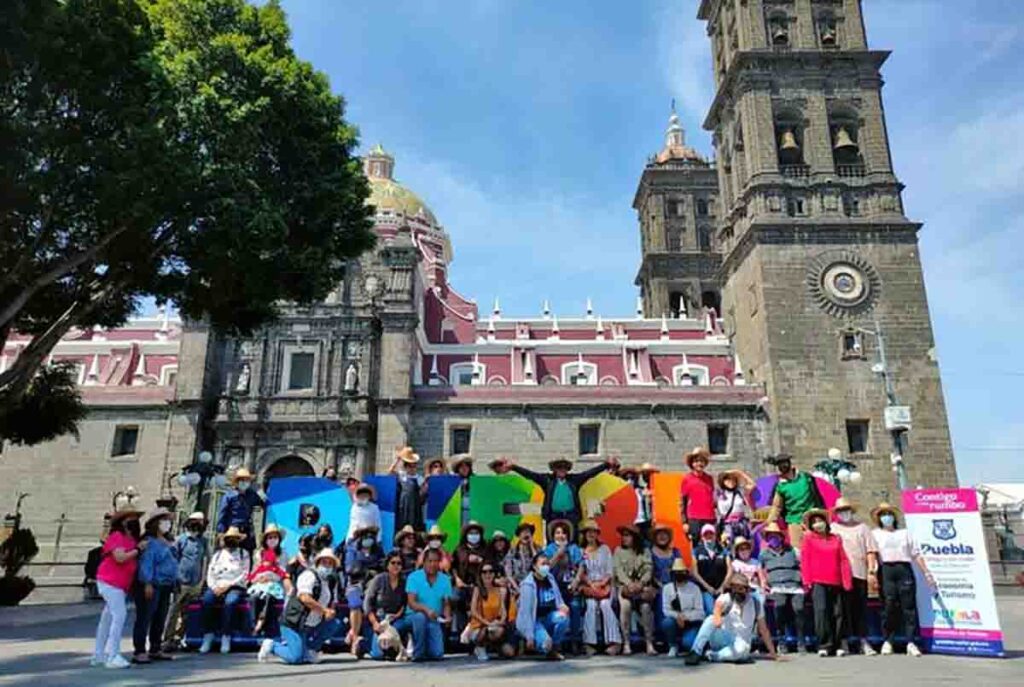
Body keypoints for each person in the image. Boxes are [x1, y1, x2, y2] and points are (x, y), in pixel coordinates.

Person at [871, 502, 935, 658]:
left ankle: (911, 641)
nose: (887, 517)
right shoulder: (875, 534)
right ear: (879, 518)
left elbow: (916, 554)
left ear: (894, 517)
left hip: (904, 568)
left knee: (908, 606)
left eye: (889, 514)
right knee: (889, 605)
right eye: (883, 515)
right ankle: (888, 640)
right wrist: (872, 573)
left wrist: (926, 572)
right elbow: (872, 555)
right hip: (886, 569)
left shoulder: (905, 533)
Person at [257, 548, 342, 665]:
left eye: (330, 563)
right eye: (324, 562)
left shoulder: (332, 580)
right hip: (294, 623)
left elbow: (333, 600)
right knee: (295, 657)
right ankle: (272, 645)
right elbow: (304, 598)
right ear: (318, 563)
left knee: (334, 624)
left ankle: (311, 650)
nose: (327, 566)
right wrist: (324, 611)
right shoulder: (309, 575)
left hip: (313, 623)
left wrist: (331, 611)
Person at [493, 456, 618, 528]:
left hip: (571, 517)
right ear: (554, 469)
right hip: (553, 516)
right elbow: (530, 475)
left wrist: (606, 464)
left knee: (571, 542)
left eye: (564, 467)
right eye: (559, 467)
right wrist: (514, 467)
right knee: (553, 543)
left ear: (567, 469)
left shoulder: (574, 480)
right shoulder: (547, 480)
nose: (562, 469)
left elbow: (589, 474)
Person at [684, 573, 780, 664]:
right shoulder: (727, 598)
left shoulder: (756, 603)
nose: (737, 592)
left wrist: (773, 654)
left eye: (740, 589)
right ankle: (695, 652)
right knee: (710, 619)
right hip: (722, 637)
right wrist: (717, 616)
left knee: (742, 650)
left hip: (741, 643)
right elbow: (717, 606)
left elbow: (763, 630)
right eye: (734, 589)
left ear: (747, 590)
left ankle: (710, 656)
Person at [92, 507, 143, 669]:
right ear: (123, 521)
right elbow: (120, 557)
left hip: (119, 583)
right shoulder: (117, 536)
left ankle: (99, 654)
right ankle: (113, 655)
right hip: (110, 581)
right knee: (119, 615)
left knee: (107, 619)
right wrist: (138, 550)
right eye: (131, 518)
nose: (134, 521)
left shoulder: (131, 538)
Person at [800, 508, 852, 657]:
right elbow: (805, 560)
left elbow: (843, 559)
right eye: (814, 522)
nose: (818, 524)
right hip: (818, 581)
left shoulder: (835, 538)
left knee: (838, 613)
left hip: (836, 581)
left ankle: (839, 644)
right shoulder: (809, 539)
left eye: (820, 521)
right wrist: (807, 580)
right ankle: (825, 644)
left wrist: (846, 579)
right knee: (821, 612)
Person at [830, 497, 879, 655]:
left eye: (846, 510)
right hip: (840, 574)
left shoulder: (862, 528)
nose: (844, 513)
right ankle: (843, 641)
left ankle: (863, 640)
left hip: (859, 572)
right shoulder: (833, 528)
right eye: (840, 511)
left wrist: (871, 571)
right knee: (842, 609)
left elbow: (870, 550)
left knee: (860, 609)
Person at [132, 507, 178, 664]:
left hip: (166, 584)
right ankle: (139, 650)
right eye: (164, 520)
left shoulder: (168, 541)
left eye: (168, 520)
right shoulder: (149, 542)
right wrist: (147, 583)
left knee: (160, 617)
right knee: (145, 617)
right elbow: (147, 564)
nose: (167, 524)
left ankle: (155, 648)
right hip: (152, 583)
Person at [199, 526, 252, 655]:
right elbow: (210, 572)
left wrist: (228, 586)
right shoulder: (217, 555)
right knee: (206, 600)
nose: (231, 540)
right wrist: (214, 586)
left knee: (230, 602)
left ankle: (226, 636)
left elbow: (245, 574)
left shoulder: (243, 554)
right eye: (229, 538)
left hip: (235, 586)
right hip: (217, 585)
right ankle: (208, 635)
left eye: (234, 538)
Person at [162, 512, 209, 653]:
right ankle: (167, 639)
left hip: (195, 582)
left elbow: (205, 560)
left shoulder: (203, 541)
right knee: (174, 611)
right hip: (181, 581)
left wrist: (202, 580)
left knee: (188, 613)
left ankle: (179, 637)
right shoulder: (181, 540)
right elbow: (173, 559)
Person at [760, 522, 806, 654]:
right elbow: (759, 568)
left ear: (781, 537)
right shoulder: (764, 554)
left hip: (794, 585)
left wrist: (803, 580)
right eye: (770, 536)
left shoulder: (792, 550)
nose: (773, 538)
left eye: (776, 536)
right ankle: (781, 640)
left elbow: (803, 563)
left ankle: (801, 641)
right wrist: (763, 582)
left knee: (799, 608)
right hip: (777, 586)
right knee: (780, 605)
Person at [578, 520, 622, 655]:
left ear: (597, 534)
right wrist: (591, 584)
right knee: (591, 605)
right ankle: (589, 643)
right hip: (588, 586)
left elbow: (610, 571)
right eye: (588, 532)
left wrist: (602, 583)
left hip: (605, 586)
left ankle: (614, 642)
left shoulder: (605, 549)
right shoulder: (580, 551)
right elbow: (579, 572)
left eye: (593, 532)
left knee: (605, 605)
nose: (591, 534)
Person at [515, 553, 570, 660]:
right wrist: (529, 636)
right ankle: (544, 646)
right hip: (534, 621)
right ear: (535, 566)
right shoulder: (527, 585)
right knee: (545, 644)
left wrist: (563, 606)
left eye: (547, 564)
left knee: (563, 618)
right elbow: (526, 613)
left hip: (548, 617)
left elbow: (558, 599)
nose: (546, 567)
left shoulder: (550, 578)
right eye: (543, 564)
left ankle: (554, 647)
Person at [613, 525, 657, 655]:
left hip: (641, 587)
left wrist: (641, 583)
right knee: (625, 606)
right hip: (624, 587)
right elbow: (618, 571)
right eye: (623, 535)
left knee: (645, 607)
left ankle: (649, 642)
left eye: (627, 535)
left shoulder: (645, 551)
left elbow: (649, 569)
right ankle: (626, 642)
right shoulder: (618, 551)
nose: (624, 538)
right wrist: (629, 583)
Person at [766, 454, 824, 549]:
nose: (783, 466)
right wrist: (770, 522)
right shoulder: (780, 486)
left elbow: (817, 495)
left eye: (784, 463)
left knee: (818, 546)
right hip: (794, 522)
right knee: (798, 550)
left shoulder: (805, 477)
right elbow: (776, 507)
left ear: (789, 463)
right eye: (780, 465)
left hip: (812, 518)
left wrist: (821, 513)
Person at [406, 547, 454, 662]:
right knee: (420, 617)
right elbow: (412, 602)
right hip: (413, 616)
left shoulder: (445, 579)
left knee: (437, 654)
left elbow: (446, 603)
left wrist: (447, 617)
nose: (433, 564)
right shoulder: (414, 577)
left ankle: (425, 645)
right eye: (430, 561)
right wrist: (426, 609)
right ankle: (418, 653)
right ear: (424, 562)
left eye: (436, 561)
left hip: (434, 618)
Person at [542, 519, 583, 654]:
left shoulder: (574, 548)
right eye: (558, 533)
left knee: (575, 607)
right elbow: (546, 567)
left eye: (564, 533)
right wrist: (558, 554)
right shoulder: (549, 549)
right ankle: (556, 642)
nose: (561, 535)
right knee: (556, 612)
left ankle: (575, 641)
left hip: (571, 586)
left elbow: (581, 565)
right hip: (554, 590)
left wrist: (576, 581)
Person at [344, 525, 385, 657]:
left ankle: (366, 637)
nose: (369, 538)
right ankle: (355, 637)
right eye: (366, 535)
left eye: (372, 535)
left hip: (372, 584)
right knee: (355, 603)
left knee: (374, 601)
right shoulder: (352, 549)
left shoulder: (377, 550)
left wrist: (375, 572)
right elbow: (350, 569)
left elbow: (383, 565)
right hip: (355, 583)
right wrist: (367, 571)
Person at [364, 551, 412, 662]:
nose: (396, 566)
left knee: (400, 627)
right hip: (379, 619)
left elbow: (405, 603)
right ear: (387, 565)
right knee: (377, 655)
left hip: (396, 619)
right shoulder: (379, 579)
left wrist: (397, 615)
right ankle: (363, 644)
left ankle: (396, 648)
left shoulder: (404, 582)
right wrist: (375, 623)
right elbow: (367, 603)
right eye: (393, 563)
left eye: (399, 563)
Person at [462, 563, 513, 661]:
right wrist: (487, 623)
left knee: (509, 652)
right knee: (486, 631)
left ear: (494, 574)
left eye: (490, 571)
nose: (487, 574)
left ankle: (493, 647)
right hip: (478, 626)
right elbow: (473, 611)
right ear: (480, 575)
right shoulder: (477, 589)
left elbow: (503, 611)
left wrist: (500, 621)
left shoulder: (499, 590)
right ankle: (479, 646)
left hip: (493, 625)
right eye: (484, 572)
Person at [248, 525, 291, 638]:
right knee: (253, 597)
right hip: (259, 583)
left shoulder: (283, 554)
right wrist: (258, 578)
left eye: (275, 537)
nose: (272, 540)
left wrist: (270, 576)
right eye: (270, 537)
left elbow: (282, 571)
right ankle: (254, 624)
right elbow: (255, 570)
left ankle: (261, 622)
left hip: (275, 583)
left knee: (268, 596)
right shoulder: (258, 554)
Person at [660, 558, 706, 657]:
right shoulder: (667, 588)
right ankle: (673, 645)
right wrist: (678, 616)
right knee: (667, 623)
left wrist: (686, 617)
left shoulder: (694, 588)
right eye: (676, 572)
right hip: (675, 621)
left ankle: (686, 642)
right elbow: (666, 609)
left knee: (688, 644)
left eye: (681, 572)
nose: (679, 574)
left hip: (691, 622)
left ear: (686, 573)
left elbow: (700, 612)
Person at [216, 467, 264, 552]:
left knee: (247, 556)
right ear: (237, 482)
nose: (244, 482)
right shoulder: (229, 496)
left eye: (247, 480)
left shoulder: (252, 495)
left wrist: (261, 492)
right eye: (242, 480)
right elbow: (222, 515)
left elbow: (263, 503)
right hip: (232, 530)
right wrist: (221, 534)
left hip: (246, 531)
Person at [680, 447, 716, 549]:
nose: (699, 464)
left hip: (710, 518)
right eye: (696, 461)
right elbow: (682, 501)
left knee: (710, 545)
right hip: (694, 518)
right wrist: (684, 522)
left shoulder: (709, 478)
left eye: (701, 461)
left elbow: (712, 498)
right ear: (692, 464)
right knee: (696, 545)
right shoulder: (687, 479)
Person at [692, 523, 729, 614]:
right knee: (711, 611)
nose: (708, 536)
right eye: (706, 534)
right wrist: (708, 587)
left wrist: (722, 586)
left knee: (726, 610)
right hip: (704, 590)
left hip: (721, 589)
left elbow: (730, 569)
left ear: (715, 535)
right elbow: (694, 572)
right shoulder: (696, 551)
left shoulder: (723, 550)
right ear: (702, 537)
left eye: (711, 534)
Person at [390, 446, 424, 532]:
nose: (412, 468)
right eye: (410, 466)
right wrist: (398, 460)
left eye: (414, 466)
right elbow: (390, 472)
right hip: (403, 504)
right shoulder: (402, 475)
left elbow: (423, 490)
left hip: (415, 505)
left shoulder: (419, 478)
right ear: (406, 467)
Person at [716, 470, 755, 542]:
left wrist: (739, 472)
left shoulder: (740, 492)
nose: (731, 481)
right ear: (723, 481)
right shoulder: (719, 493)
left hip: (741, 523)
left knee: (743, 545)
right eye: (728, 479)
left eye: (733, 479)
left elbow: (752, 484)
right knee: (728, 545)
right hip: (727, 524)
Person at [730, 537, 768, 603]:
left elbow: (762, 578)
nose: (744, 551)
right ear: (737, 551)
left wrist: (763, 587)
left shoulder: (756, 562)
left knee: (761, 598)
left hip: (756, 590)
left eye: (746, 548)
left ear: (750, 550)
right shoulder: (734, 564)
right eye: (741, 549)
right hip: (742, 592)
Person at [503, 523, 538, 594]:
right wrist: (518, 589)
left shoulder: (537, 549)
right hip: (517, 586)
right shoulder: (512, 551)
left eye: (528, 532)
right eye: (522, 532)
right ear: (519, 536)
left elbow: (539, 566)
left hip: (534, 585)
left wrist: (532, 548)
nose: (525, 534)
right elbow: (508, 574)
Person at [621, 466, 654, 540]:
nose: (629, 480)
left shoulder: (641, 490)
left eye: (632, 478)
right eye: (627, 478)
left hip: (643, 522)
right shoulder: (620, 493)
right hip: (629, 523)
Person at [451, 455, 475, 527]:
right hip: (456, 514)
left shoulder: (475, 480)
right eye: (461, 466)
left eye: (466, 466)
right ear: (457, 469)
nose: (464, 468)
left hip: (472, 513)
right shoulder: (452, 481)